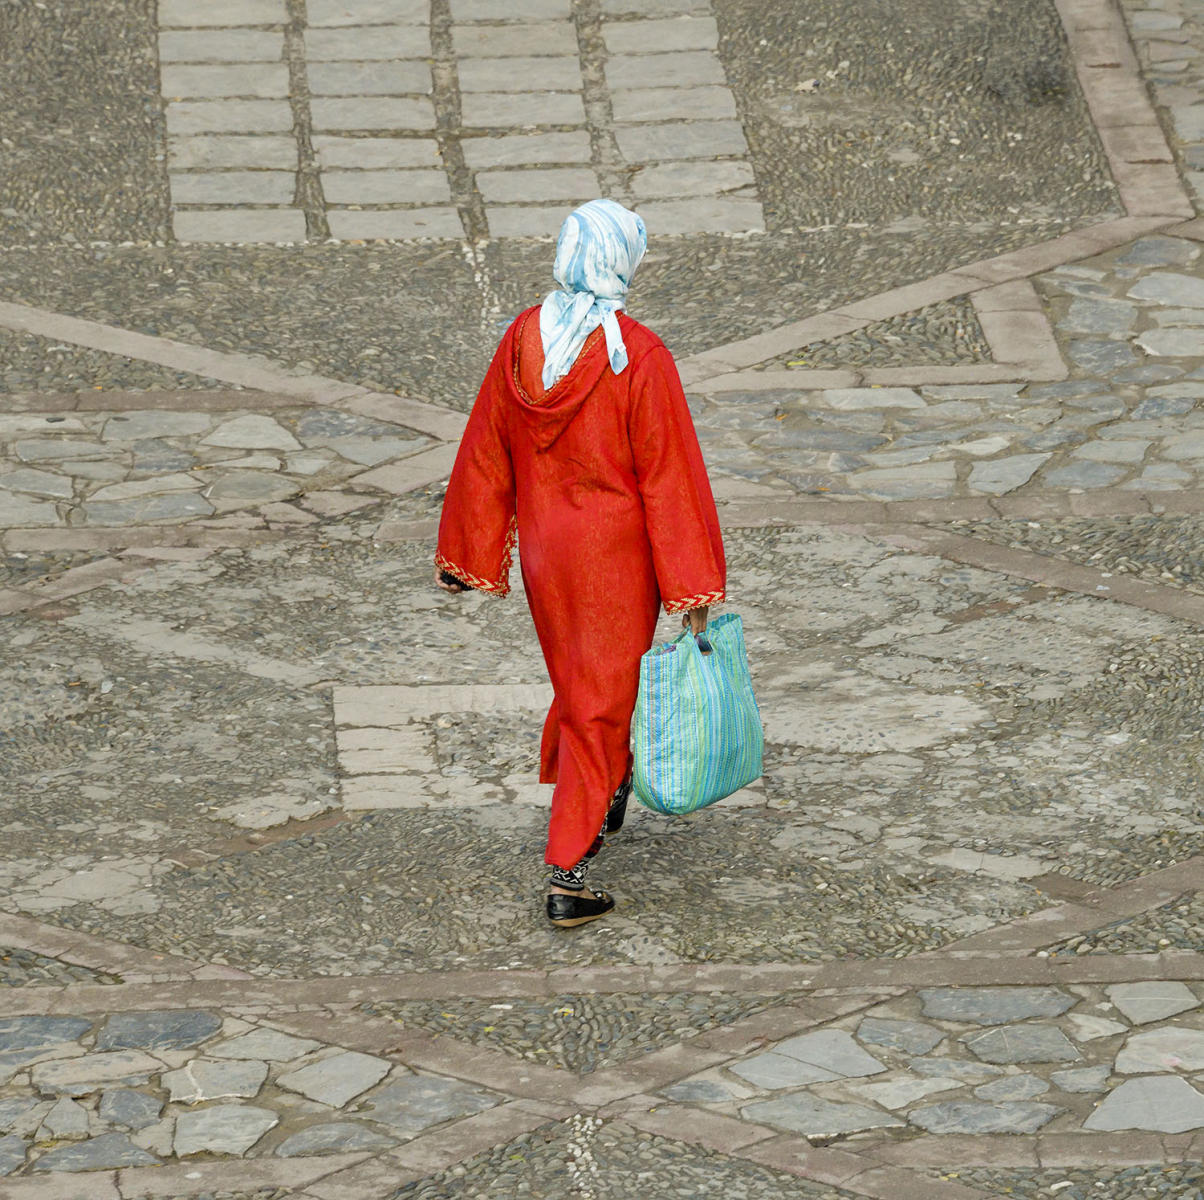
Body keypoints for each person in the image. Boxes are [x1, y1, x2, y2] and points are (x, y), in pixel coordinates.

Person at [434, 198, 725, 928]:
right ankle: (570, 869)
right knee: (601, 702)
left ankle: (605, 789)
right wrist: (691, 582)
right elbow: (669, 474)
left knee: (580, 680)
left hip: (544, 551)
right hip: (610, 558)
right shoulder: (638, 355)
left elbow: (486, 447)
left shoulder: (521, 342)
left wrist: (467, 547)